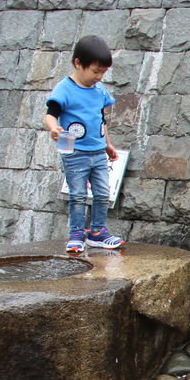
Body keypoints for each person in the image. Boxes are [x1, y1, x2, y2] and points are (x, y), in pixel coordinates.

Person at [44, 35, 124, 256]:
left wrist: (108, 144)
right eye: (95, 71)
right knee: (78, 194)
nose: (99, 77)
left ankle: (97, 232)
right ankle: (77, 234)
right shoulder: (65, 89)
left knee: (101, 193)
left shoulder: (99, 91)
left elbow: (100, 120)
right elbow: (51, 115)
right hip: (75, 152)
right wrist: (53, 128)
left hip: (98, 152)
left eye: (103, 73)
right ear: (78, 64)